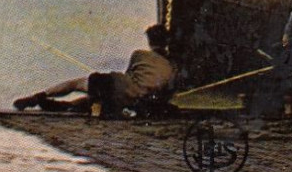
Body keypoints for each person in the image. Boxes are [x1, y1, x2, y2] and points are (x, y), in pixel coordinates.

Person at [14, 25, 175, 114]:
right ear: (166, 42)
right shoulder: (170, 67)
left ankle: (38, 97)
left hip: (119, 86)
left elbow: (129, 75)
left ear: (149, 41)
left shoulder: (139, 54)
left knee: (76, 84)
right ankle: (66, 106)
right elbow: (167, 91)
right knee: (98, 99)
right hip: (139, 101)